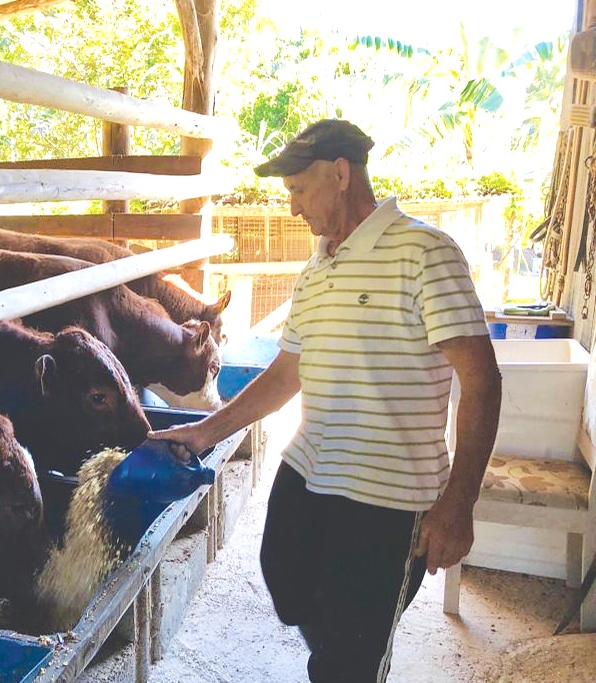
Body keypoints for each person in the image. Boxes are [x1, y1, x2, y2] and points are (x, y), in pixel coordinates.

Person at [149, 119, 502, 683]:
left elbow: (483, 380)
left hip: (390, 497)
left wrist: (458, 504)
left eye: (298, 190)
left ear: (340, 174)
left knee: (346, 660)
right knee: (284, 581)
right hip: (309, 471)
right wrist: (205, 431)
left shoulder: (426, 252)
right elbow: (288, 373)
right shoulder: (315, 269)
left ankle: (351, 655)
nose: (292, 208)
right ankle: (346, 641)